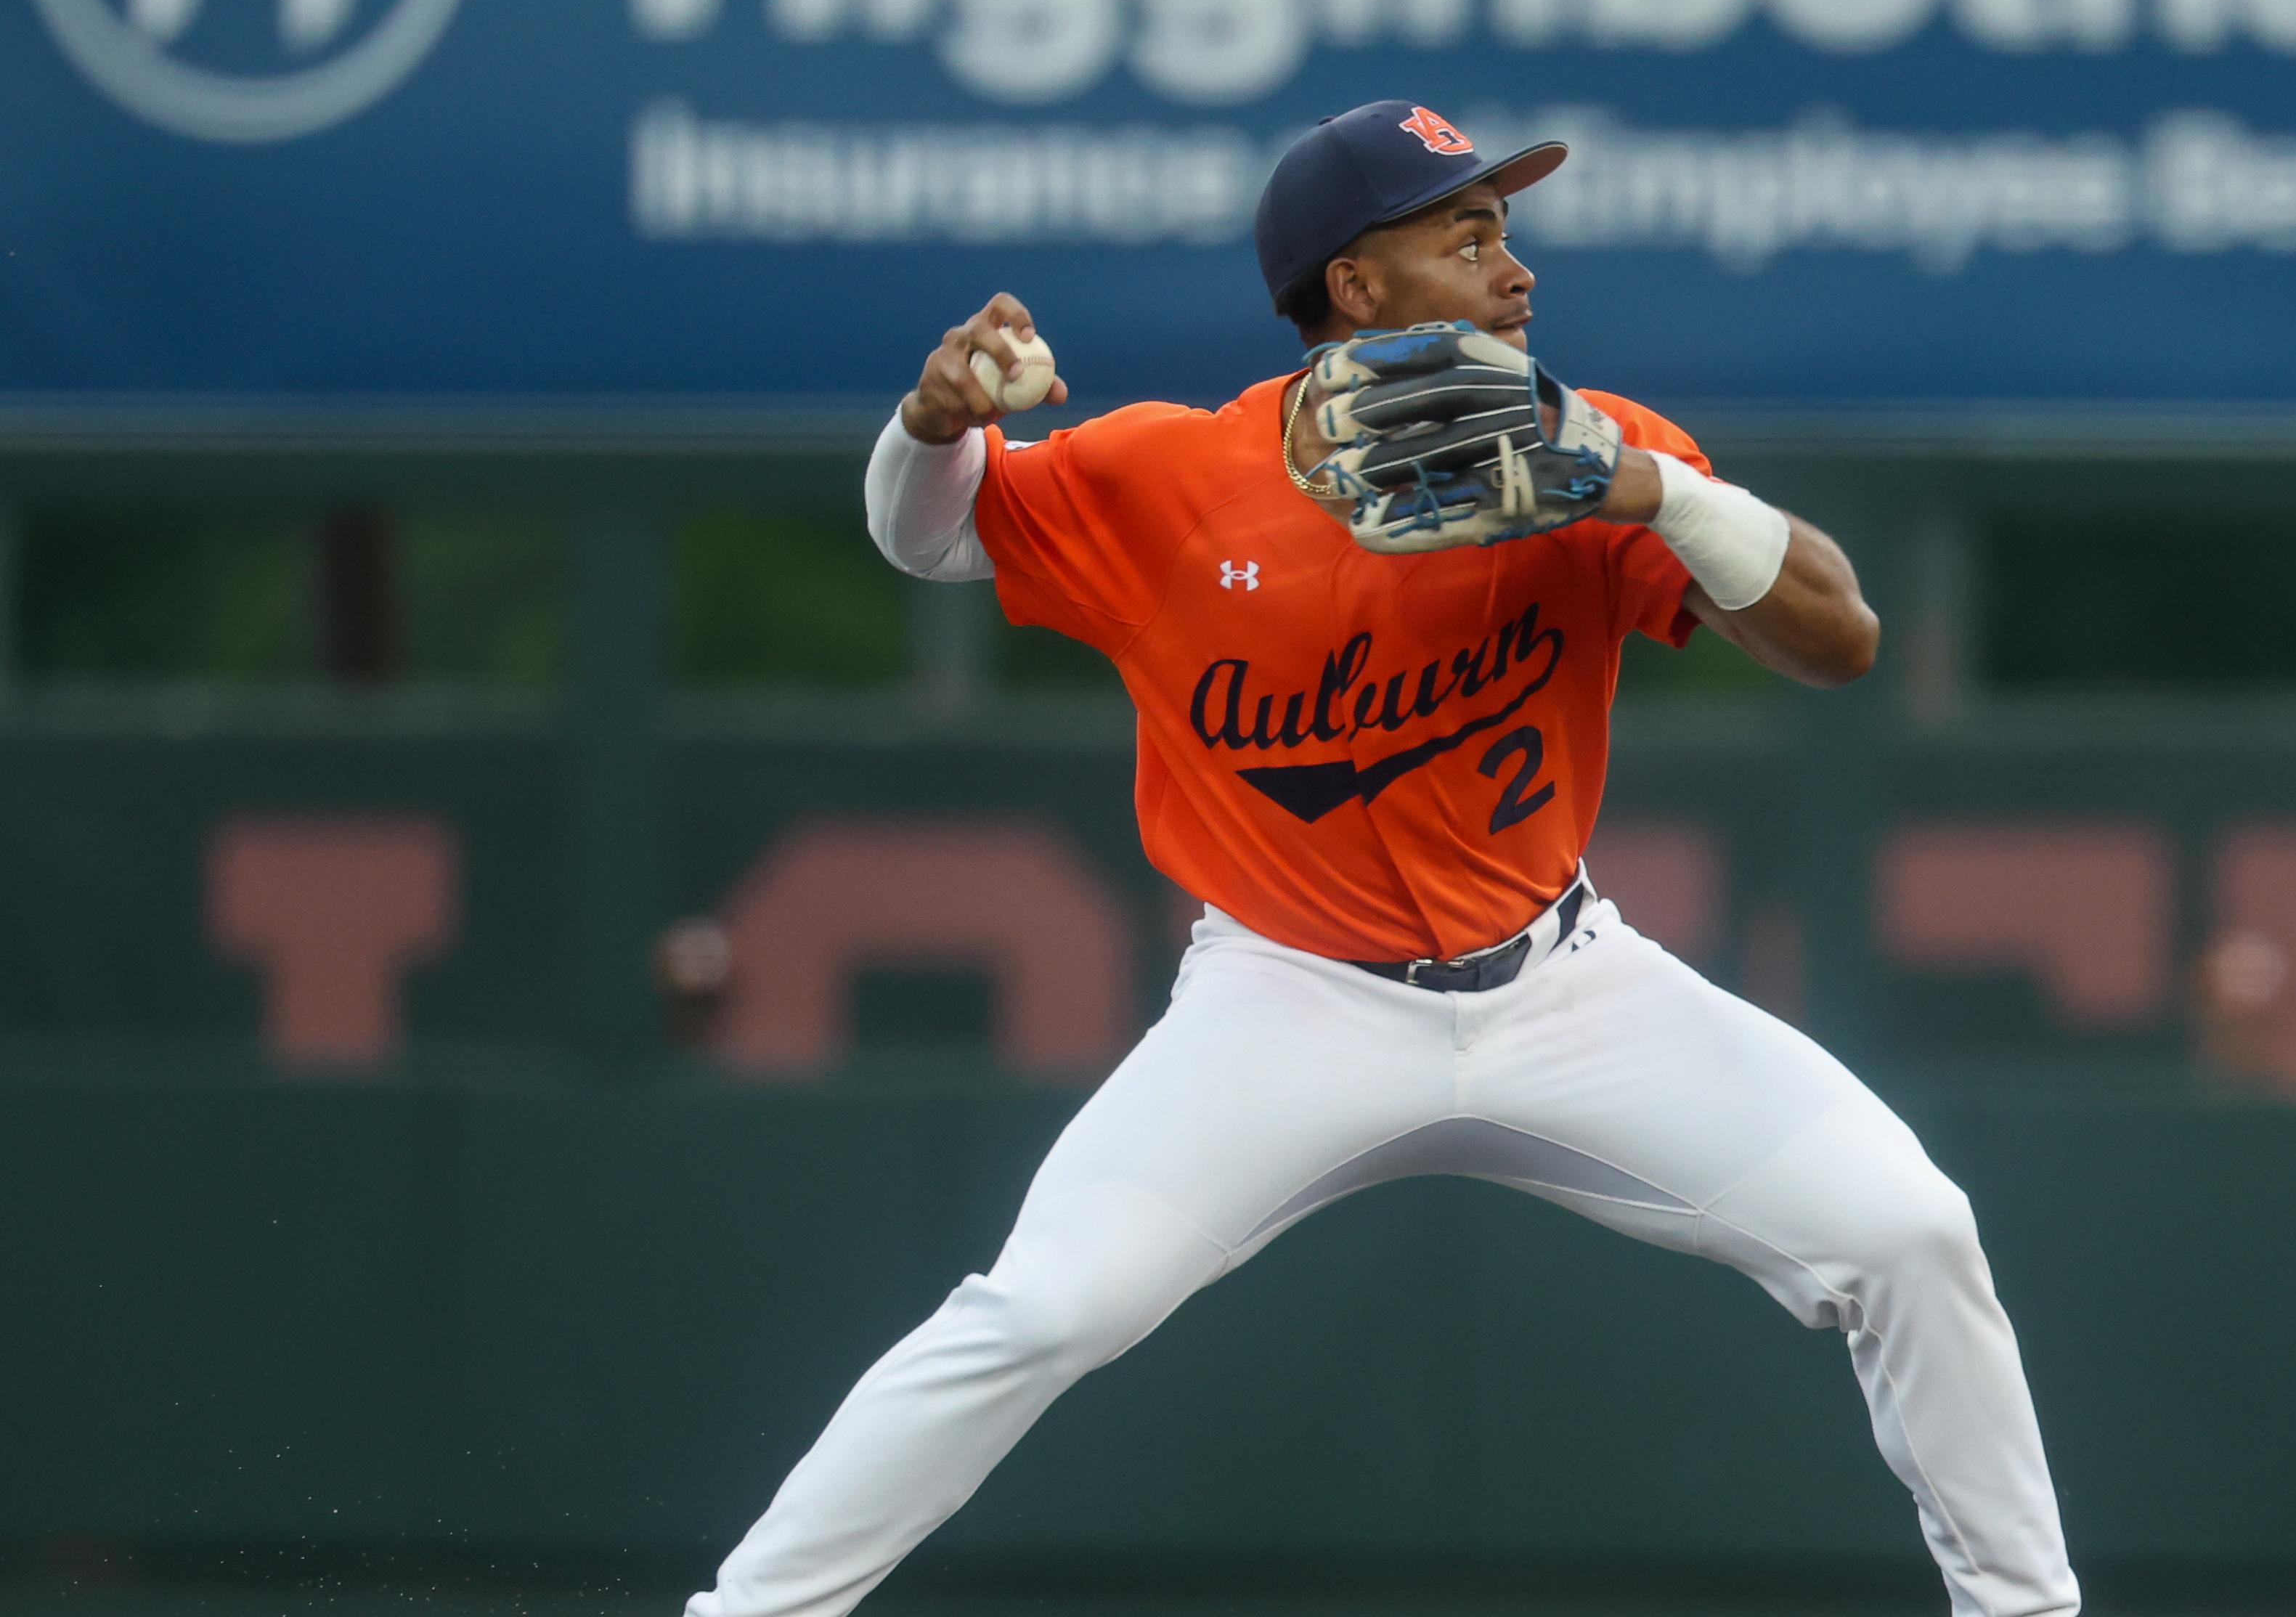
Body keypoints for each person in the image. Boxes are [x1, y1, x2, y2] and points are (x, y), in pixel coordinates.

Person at [687, 99, 2078, 1617]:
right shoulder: (1170, 477)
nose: (1516, 270)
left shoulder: (1585, 445)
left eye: (1506, 232)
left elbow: (1839, 639)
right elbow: (930, 537)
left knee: (1911, 1231)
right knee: (1040, 1309)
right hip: (1286, 998)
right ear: (1353, 286)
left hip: (1567, 983)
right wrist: (931, 423)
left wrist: (1655, 488)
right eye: (1466, 238)